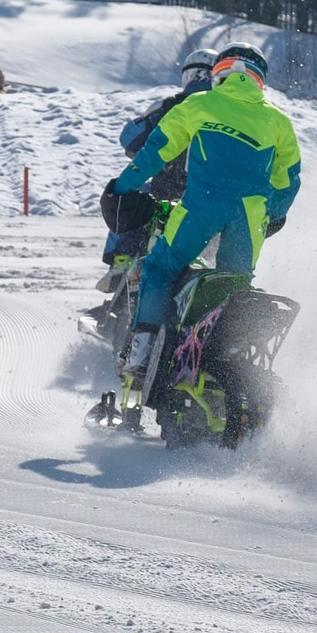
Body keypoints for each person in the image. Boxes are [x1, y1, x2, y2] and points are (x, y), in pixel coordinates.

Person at [109, 45, 301, 409]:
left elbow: (156, 150)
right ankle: (223, 356)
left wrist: (122, 188)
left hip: (200, 206)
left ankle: (141, 354)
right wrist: (268, 215)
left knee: (159, 268)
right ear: (258, 80)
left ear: (220, 73)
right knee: (232, 287)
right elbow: (288, 183)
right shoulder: (279, 121)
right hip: (248, 218)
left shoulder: (199, 105)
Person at [102, 50, 216, 263]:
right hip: (210, 199)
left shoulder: (170, 106)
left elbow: (129, 138)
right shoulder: (229, 113)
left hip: (164, 194)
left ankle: (122, 260)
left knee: (128, 195)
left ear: (189, 75)